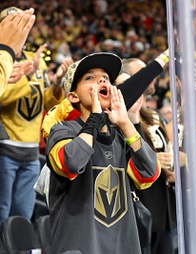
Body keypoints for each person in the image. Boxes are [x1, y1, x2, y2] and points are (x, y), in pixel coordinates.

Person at [45, 52, 160, 253]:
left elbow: (149, 174)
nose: (101, 80)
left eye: (105, 78)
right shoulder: (62, 130)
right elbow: (71, 162)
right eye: (90, 78)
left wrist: (125, 124)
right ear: (73, 96)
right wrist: (95, 120)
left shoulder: (122, 137)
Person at [0, 6, 73, 224]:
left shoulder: (36, 59)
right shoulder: (4, 59)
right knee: (2, 214)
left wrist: (58, 81)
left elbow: (46, 102)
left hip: (31, 151)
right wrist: (27, 75)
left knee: (24, 216)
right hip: (5, 148)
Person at [116, 57, 177, 254]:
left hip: (164, 202)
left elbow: (169, 146)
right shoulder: (118, 120)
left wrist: (173, 165)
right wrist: (153, 161)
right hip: (142, 201)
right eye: (142, 73)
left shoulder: (153, 114)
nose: (150, 77)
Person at [0, 7, 35, 96]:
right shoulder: (5, 57)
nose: (12, 30)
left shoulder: (35, 58)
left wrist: (56, 83)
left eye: (19, 24)